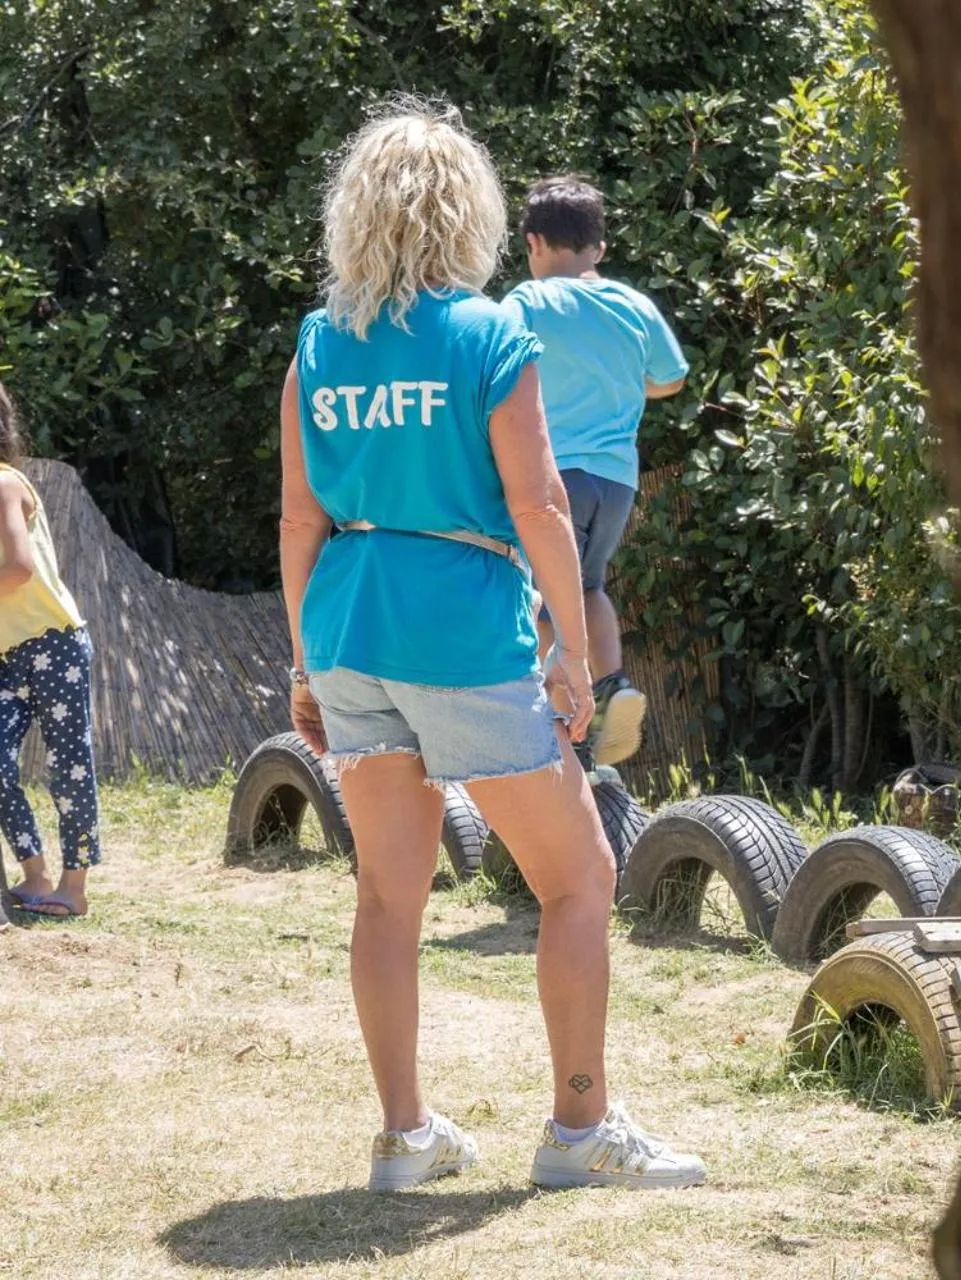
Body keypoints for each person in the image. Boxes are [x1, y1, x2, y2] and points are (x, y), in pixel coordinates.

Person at [279, 100, 704, 1192]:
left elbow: (297, 521)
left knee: (387, 896)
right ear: (465, 211)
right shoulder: (485, 332)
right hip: (463, 629)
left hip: (348, 626)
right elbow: (543, 502)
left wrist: (301, 664)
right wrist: (569, 645)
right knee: (578, 877)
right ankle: (579, 1131)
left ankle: (404, 1137)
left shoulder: (319, 342)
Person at [503, 176, 688, 769]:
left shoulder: (527, 303)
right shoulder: (633, 304)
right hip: (616, 480)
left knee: (535, 598)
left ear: (533, 243)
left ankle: (556, 723)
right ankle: (611, 687)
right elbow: (671, 378)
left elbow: (493, 373)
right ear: (599, 249)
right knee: (586, 587)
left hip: (551, 478)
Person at [0, 383, 101, 920]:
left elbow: (19, 569)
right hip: (6, 654)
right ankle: (35, 874)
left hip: (52, 643)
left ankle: (74, 888)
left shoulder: (3, 484)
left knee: (69, 767)